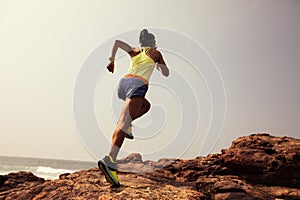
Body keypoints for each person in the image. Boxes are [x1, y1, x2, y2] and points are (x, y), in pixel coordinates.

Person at [98, 29, 169, 187]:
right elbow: (166, 73)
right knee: (123, 122)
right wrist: (158, 65)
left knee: (146, 105)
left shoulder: (135, 51)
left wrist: (112, 60)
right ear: (153, 43)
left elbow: (117, 42)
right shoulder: (155, 52)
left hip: (123, 84)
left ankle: (128, 124)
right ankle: (109, 160)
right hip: (138, 84)